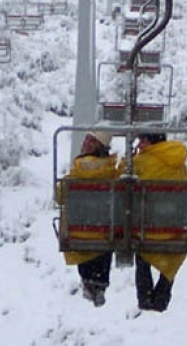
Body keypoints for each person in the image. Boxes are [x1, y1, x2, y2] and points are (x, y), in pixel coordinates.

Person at [57, 130, 117, 307]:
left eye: (90, 140)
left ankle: (89, 284)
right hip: (105, 230)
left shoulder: (77, 172)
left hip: (79, 230)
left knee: (84, 254)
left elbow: (60, 197)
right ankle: (100, 285)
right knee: (104, 251)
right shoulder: (111, 171)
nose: (85, 143)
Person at [131, 132, 187, 312]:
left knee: (141, 254)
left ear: (151, 142)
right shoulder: (178, 162)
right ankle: (162, 294)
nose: (139, 145)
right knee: (173, 257)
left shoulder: (142, 162)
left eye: (142, 141)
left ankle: (145, 298)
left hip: (147, 228)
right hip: (173, 229)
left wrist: (130, 159)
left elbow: (123, 176)